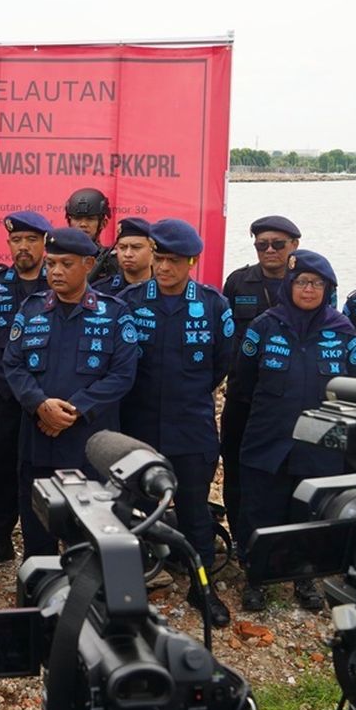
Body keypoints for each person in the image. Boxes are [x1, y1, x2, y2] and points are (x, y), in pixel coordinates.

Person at [119, 219, 234, 626]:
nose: (164, 268)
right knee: (133, 510)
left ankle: (202, 589)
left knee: (194, 512)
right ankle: (131, 588)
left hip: (191, 428)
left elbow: (221, 364)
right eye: (160, 258)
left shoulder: (213, 305)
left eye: (174, 260)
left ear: (192, 261)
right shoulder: (131, 301)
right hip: (140, 428)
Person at [232, 250, 356, 611]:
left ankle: (304, 580)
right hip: (268, 437)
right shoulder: (264, 326)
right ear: (290, 285)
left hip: (322, 442)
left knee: (310, 512)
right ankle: (256, 578)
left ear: (328, 289)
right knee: (260, 509)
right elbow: (243, 381)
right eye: (301, 281)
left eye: (316, 283)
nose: (308, 289)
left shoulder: (343, 331)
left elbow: (352, 385)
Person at [3, 227, 139, 557]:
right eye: (51, 264)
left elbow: (122, 375)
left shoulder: (114, 313)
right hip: (38, 439)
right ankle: (40, 592)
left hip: (89, 444)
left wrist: (74, 409)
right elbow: (13, 363)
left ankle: (87, 595)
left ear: (89, 264)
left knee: (90, 529)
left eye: (66, 263)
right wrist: (39, 404)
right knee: (37, 524)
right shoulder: (31, 310)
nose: (56, 272)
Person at [0, 210, 51, 567]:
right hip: (3, 398)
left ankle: (46, 540)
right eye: (17, 240)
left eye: (30, 240)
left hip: (46, 399)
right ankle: (1, 537)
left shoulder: (57, 283)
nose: (23, 247)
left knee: (44, 468)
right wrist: (15, 386)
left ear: (44, 244)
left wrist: (38, 394)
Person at [219, 215, 301, 547]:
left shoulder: (307, 283)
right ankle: (241, 538)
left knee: (289, 469)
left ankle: (287, 543)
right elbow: (222, 338)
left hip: (288, 400)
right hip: (243, 396)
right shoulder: (239, 282)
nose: (269, 250)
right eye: (261, 244)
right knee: (236, 465)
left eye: (277, 244)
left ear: (294, 245)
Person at [64, 187, 118, 284]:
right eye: (77, 218)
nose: (83, 224)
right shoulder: (57, 258)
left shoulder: (113, 262)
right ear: (69, 221)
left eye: (90, 219)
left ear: (103, 223)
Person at [93, 216, 154, 294]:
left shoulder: (165, 289)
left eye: (136, 247)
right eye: (122, 247)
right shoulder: (100, 290)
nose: (128, 254)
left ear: (152, 250)